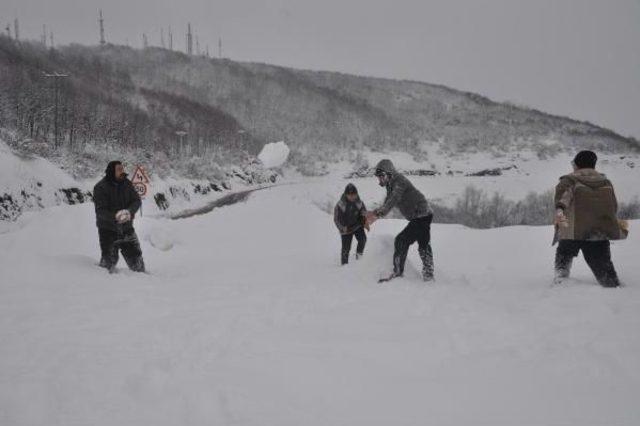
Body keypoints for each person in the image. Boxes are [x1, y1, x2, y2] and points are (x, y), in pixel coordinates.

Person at [553, 150, 625, 287]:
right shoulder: (606, 182)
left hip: (572, 232)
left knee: (563, 262)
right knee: (608, 278)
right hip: (598, 234)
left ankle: (560, 286)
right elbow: (614, 207)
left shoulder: (569, 181)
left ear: (577, 165)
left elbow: (560, 203)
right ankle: (614, 293)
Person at [366, 159, 434, 281]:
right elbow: (387, 202)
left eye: (382, 176)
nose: (380, 179)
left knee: (401, 240)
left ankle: (398, 273)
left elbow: (393, 200)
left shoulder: (399, 181)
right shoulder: (391, 185)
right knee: (423, 244)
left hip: (421, 215)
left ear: (389, 173)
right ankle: (428, 274)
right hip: (422, 214)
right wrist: (374, 213)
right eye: (378, 177)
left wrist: (377, 214)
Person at [93, 161, 146, 273]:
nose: (122, 171)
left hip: (127, 229)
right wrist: (116, 216)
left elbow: (136, 200)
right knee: (108, 265)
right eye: (119, 169)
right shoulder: (100, 187)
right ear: (112, 171)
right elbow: (100, 211)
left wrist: (129, 211)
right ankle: (106, 285)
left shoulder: (127, 184)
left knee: (137, 261)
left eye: (122, 169)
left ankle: (143, 283)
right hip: (108, 231)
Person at [334, 183, 368, 265]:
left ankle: (359, 259)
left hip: (357, 226)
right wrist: (342, 228)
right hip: (346, 228)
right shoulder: (341, 204)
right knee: (346, 248)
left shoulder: (359, 202)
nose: (352, 197)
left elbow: (363, 212)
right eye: (350, 195)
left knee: (363, 239)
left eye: (354, 195)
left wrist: (364, 220)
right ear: (346, 195)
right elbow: (336, 219)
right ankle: (344, 265)